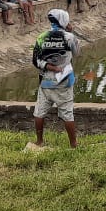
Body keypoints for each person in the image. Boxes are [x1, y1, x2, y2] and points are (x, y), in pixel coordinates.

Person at [33, 8, 81, 148]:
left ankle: (39, 141)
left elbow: (35, 61)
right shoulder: (69, 37)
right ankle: (73, 144)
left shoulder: (42, 37)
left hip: (46, 81)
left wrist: (49, 66)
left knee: (40, 112)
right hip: (64, 80)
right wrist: (72, 33)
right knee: (67, 112)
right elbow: (77, 53)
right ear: (64, 21)